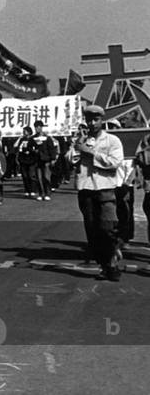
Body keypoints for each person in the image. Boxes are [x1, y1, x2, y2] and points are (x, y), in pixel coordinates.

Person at [71, 105, 125, 281]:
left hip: (105, 189)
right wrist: (77, 149)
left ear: (102, 120)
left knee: (107, 228)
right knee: (92, 231)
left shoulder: (112, 140)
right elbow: (69, 159)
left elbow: (115, 162)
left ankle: (112, 261)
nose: (92, 123)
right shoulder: (82, 140)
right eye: (89, 120)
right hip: (86, 189)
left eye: (96, 120)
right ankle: (105, 265)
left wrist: (92, 154)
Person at [32, 121, 57, 200]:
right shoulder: (33, 138)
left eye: (39, 127)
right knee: (38, 178)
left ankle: (47, 193)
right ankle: (41, 193)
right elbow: (29, 147)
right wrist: (33, 151)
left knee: (46, 177)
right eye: (36, 127)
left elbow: (52, 148)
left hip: (46, 160)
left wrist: (53, 159)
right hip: (37, 160)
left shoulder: (47, 138)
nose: (37, 128)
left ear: (41, 127)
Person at [16, 127, 40, 198]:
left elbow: (36, 148)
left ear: (29, 132)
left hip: (31, 160)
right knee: (25, 176)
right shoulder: (22, 139)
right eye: (23, 131)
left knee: (31, 175)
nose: (24, 132)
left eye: (25, 131)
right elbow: (17, 147)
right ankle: (27, 190)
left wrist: (31, 151)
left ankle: (33, 190)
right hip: (23, 160)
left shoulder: (33, 139)